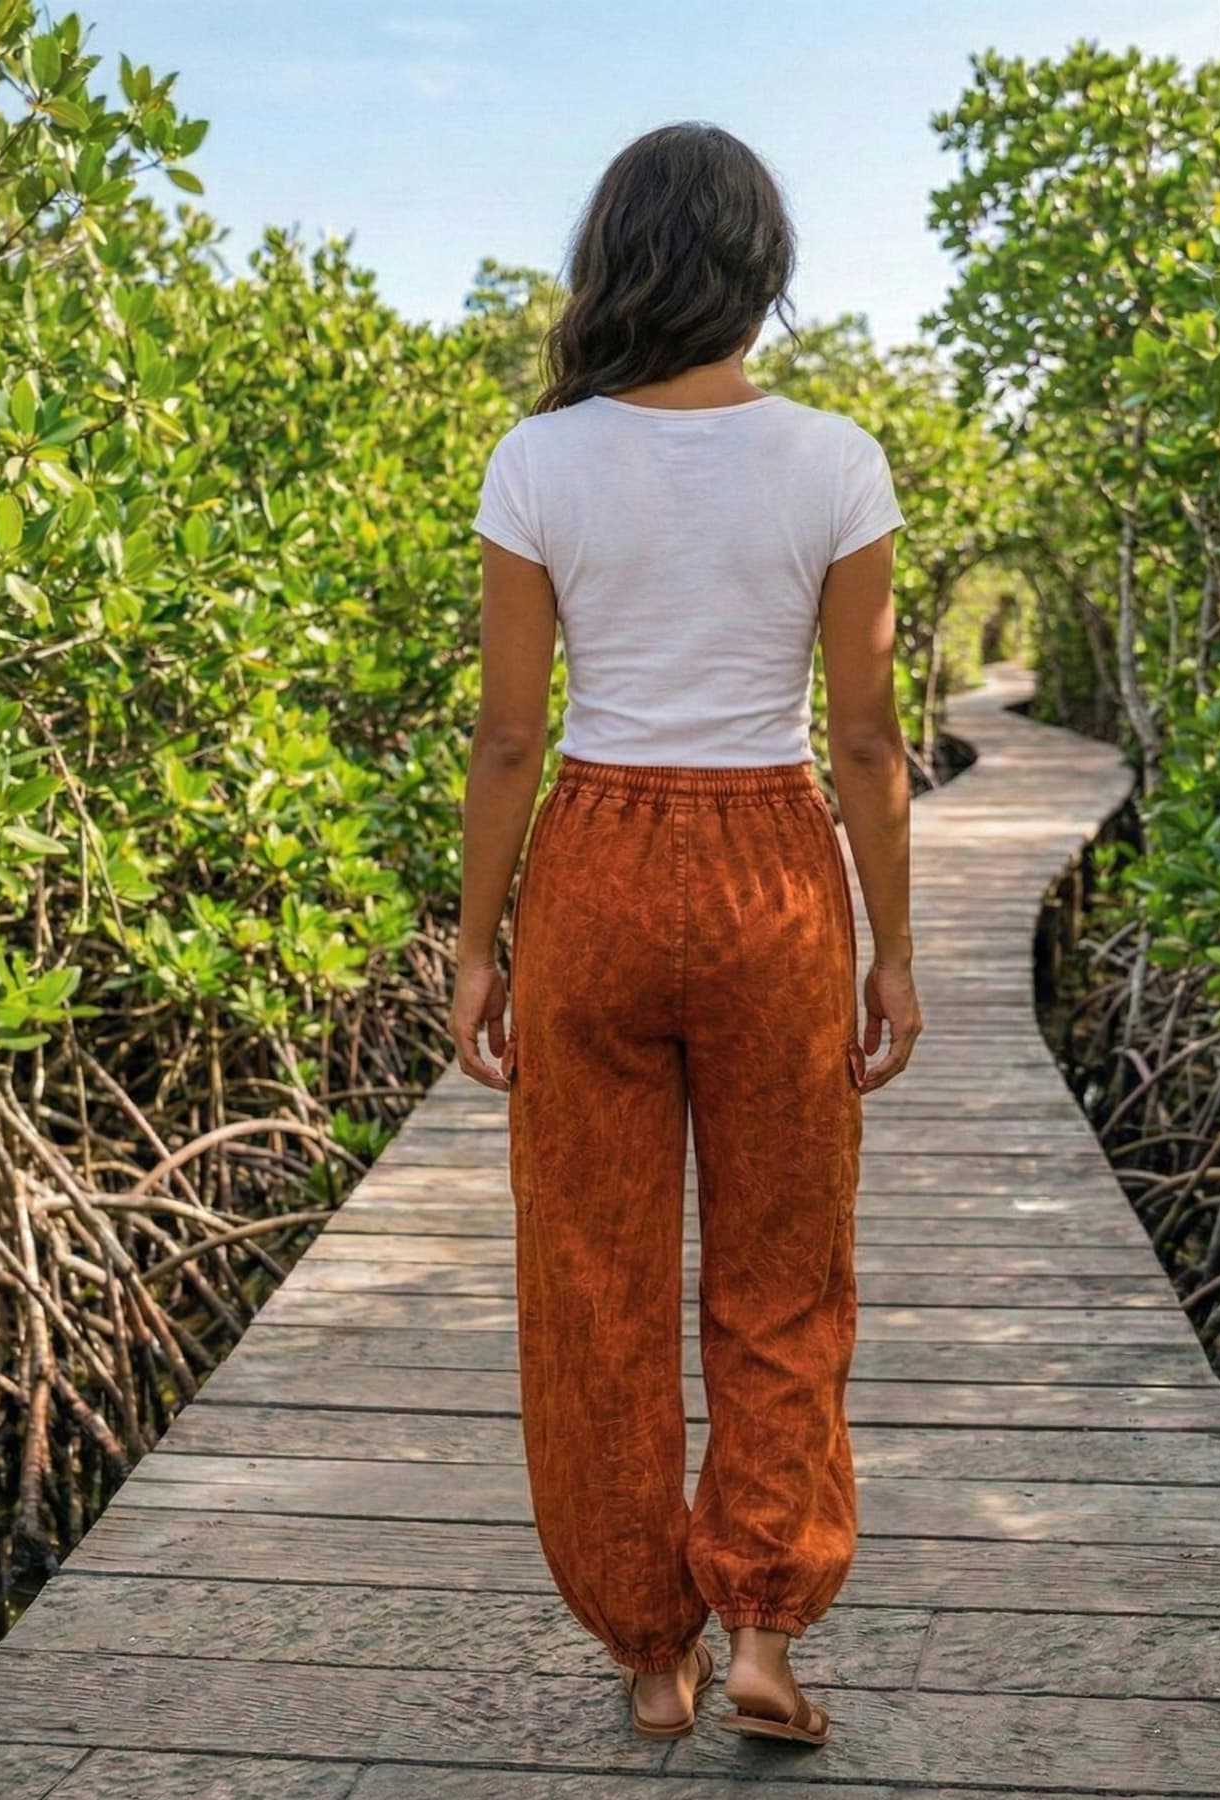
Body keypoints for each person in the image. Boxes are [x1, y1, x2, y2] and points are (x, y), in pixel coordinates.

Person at [449, 121, 921, 1750]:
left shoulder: (540, 459)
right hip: (774, 869)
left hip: (589, 858)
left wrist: (475, 943)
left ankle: (653, 1649)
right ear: (759, 270)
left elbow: (509, 739)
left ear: (615, 259)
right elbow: (867, 740)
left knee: (592, 1271)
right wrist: (895, 949)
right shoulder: (839, 459)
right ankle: (771, 1632)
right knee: (786, 1266)